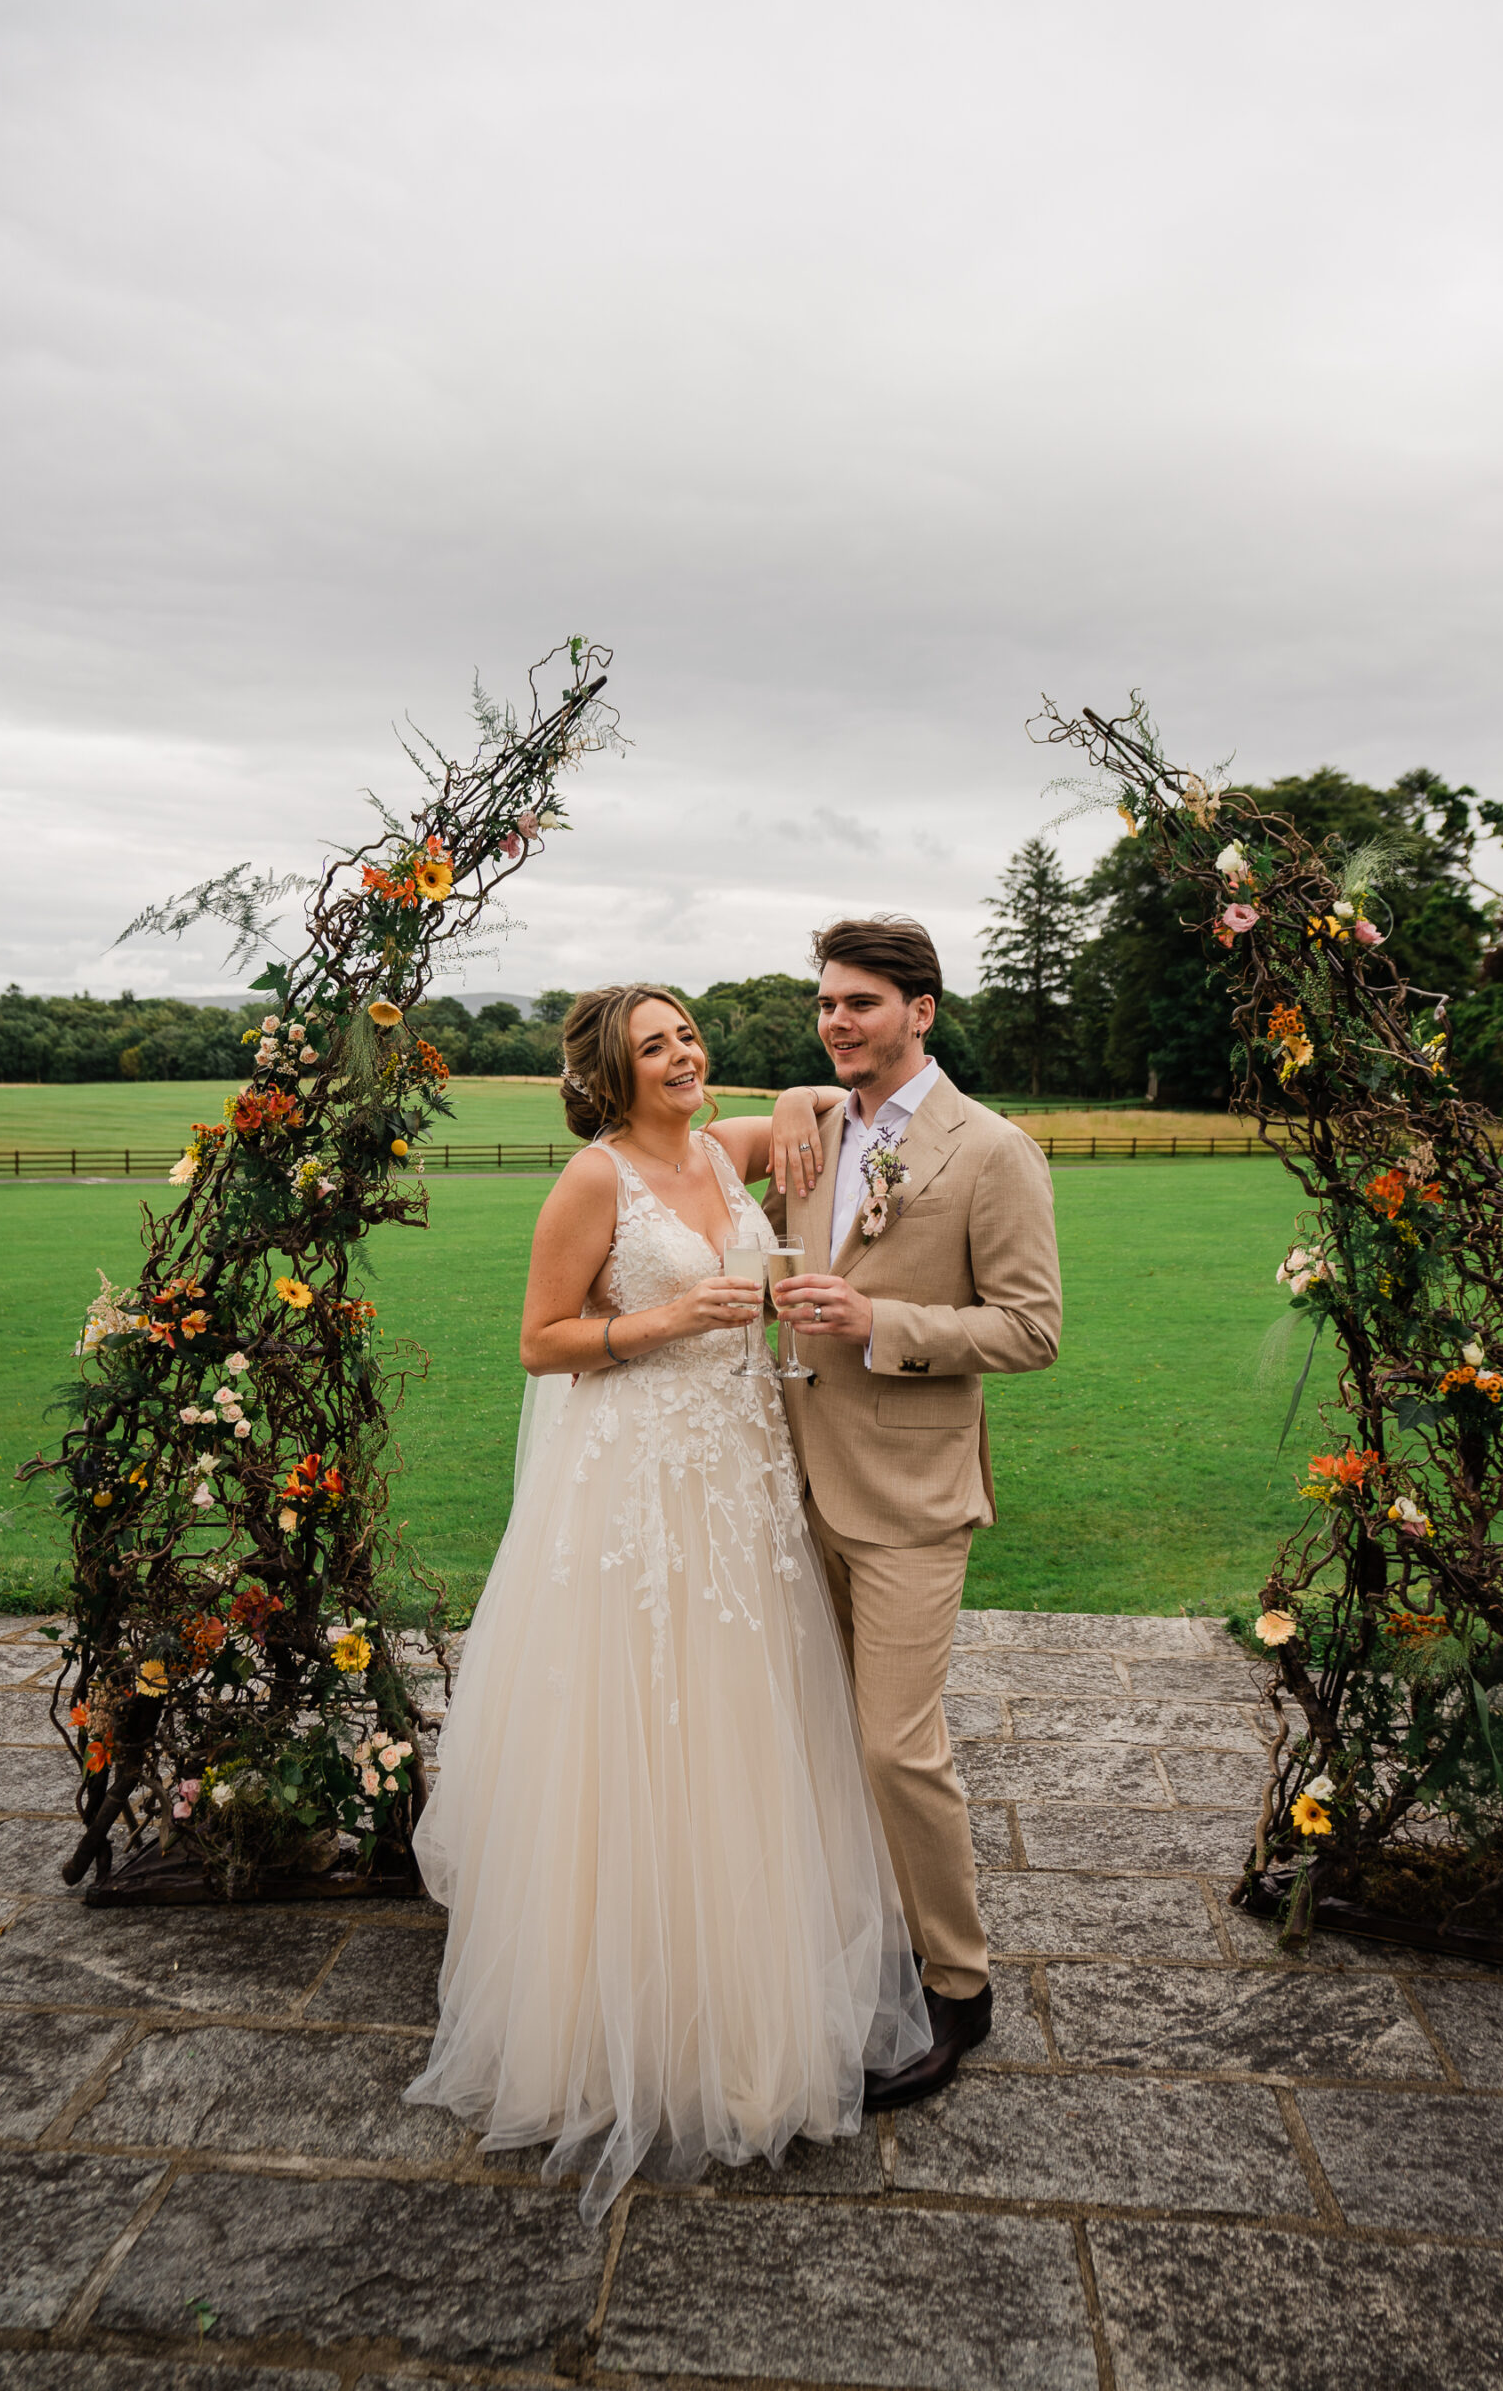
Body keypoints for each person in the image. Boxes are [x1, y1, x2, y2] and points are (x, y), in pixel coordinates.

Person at [406, 985, 929, 2222]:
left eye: (690, 1032)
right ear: (612, 1071)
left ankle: (753, 1985)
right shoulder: (594, 1181)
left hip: (742, 1476)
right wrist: (663, 1319)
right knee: (641, 1713)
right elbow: (539, 1339)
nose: (686, 1053)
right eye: (658, 1044)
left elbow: (806, 1107)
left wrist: (801, 1093)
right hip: (640, 1476)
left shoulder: (721, 1146)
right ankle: (619, 2009)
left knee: (748, 1714)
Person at [765, 916, 1063, 2108]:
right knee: (826, 1739)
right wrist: (796, 1093)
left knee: (898, 1743)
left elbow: (1032, 1329)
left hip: (911, 1493)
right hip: (788, 1481)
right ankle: (866, 1933)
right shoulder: (816, 1125)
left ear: (922, 1011)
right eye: (828, 1003)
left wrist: (883, 1324)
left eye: (864, 1004)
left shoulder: (994, 1152)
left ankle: (958, 1984)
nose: (840, 1021)